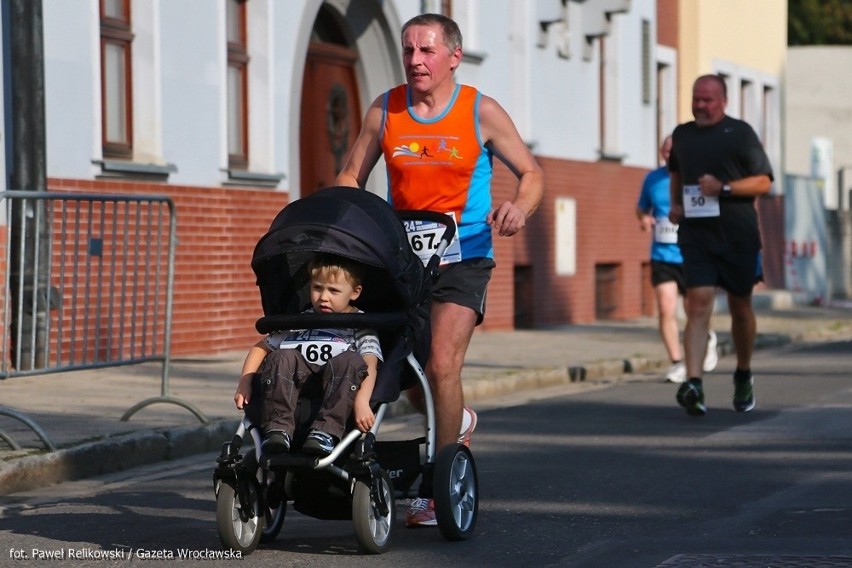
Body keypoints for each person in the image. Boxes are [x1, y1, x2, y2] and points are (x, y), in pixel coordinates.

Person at [335, 13, 543, 526]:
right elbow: (351, 172)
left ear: (454, 56)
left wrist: (520, 206)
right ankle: (455, 419)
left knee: (442, 365)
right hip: (401, 257)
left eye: (426, 51)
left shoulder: (480, 110)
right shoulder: (385, 108)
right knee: (398, 363)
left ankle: (435, 485)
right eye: (408, 50)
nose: (414, 60)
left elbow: (532, 173)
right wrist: (338, 220)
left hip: (464, 255)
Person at [668, 74, 773, 416]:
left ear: (723, 101)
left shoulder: (739, 133)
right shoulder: (682, 135)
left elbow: (763, 181)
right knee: (697, 304)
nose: (700, 105)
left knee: (741, 307)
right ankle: (694, 383)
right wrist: (675, 205)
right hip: (697, 235)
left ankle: (743, 373)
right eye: (696, 98)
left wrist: (723, 189)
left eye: (708, 100)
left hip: (737, 235)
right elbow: (676, 175)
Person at [233, 253, 383, 456]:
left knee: (351, 360)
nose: (323, 297)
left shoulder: (360, 325)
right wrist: (245, 381)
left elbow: (370, 365)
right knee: (281, 355)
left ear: (354, 293)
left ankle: (324, 432)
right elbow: (261, 347)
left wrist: (362, 402)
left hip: (339, 386)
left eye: (333, 291)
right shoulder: (301, 321)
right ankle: (278, 429)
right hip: (297, 382)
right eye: (317, 288)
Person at [636, 136, 718, 384]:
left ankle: (708, 336)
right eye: (665, 150)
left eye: (673, 150)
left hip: (690, 253)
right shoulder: (653, 179)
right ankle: (677, 362)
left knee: (694, 309)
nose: (669, 154)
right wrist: (643, 219)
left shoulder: (696, 177)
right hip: (662, 254)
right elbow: (641, 207)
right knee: (665, 307)